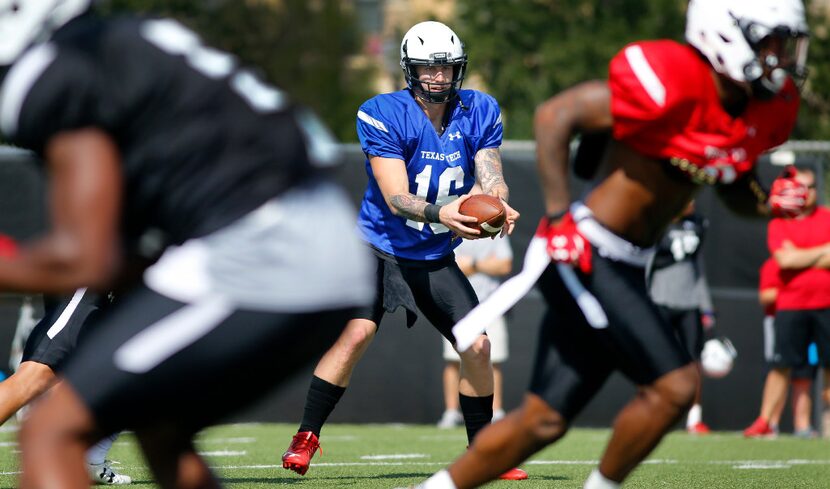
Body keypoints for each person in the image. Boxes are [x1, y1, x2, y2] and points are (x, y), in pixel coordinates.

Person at [412, 0, 809, 487]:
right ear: (725, 33)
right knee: (676, 386)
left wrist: (770, 202)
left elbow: (732, 182)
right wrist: (559, 221)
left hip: (624, 263)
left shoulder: (755, 110)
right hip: (585, 250)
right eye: (769, 40)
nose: (780, 56)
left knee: (543, 420)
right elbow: (555, 115)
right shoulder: (675, 80)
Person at [0, 2, 375, 488]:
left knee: (52, 432)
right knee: (160, 424)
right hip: (313, 232)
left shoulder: (58, 69)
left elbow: (85, 258)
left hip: (262, 245)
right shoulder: (136, 40)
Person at [280, 20, 525, 481]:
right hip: (378, 248)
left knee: (477, 344)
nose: (438, 76)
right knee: (355, 335)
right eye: (428, 68)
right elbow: (397, 196)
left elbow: (490, 173)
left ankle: (484, 450)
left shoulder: (479, 109)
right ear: (409, 69)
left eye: (446, 68)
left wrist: (498, 203)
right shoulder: (382, 112)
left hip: (432, 257)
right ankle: (307, 435)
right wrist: (444, 214)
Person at [1, 288, 132, 484]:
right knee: (35, 376)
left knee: (120, 370)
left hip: (105, 288)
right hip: (89, 284)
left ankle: (90, 459)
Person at [744, 166, 830, 439]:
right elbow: (785, 260)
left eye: (809, 187)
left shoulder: (827, 218)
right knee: (781, 365)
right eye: (799, 187)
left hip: (826, 304)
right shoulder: (779, 222)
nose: (804, 193)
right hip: (791, 306)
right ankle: (765, 421)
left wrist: (800, 256)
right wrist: (822, 253)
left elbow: (795, 258)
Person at [646, 200, 716, 434]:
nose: (692, 201)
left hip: (689, 301)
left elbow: (699, 266)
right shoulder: (657, 224)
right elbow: (647, 263)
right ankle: (652, 413)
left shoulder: (698, 224)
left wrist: (705, 305)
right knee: (656, 359)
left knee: (693, 361)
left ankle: (694, 418)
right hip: (660, 299)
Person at [438, 236, 513, 428]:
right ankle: (451, 412)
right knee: (454, 361)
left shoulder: (495, 233)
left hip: (491, 305)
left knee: (491, 358)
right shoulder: (454, 231)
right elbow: (451, 265)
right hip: (457, 307)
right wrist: (486, 264)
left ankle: (495, 412)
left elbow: (504, 265)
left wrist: (473, 263)